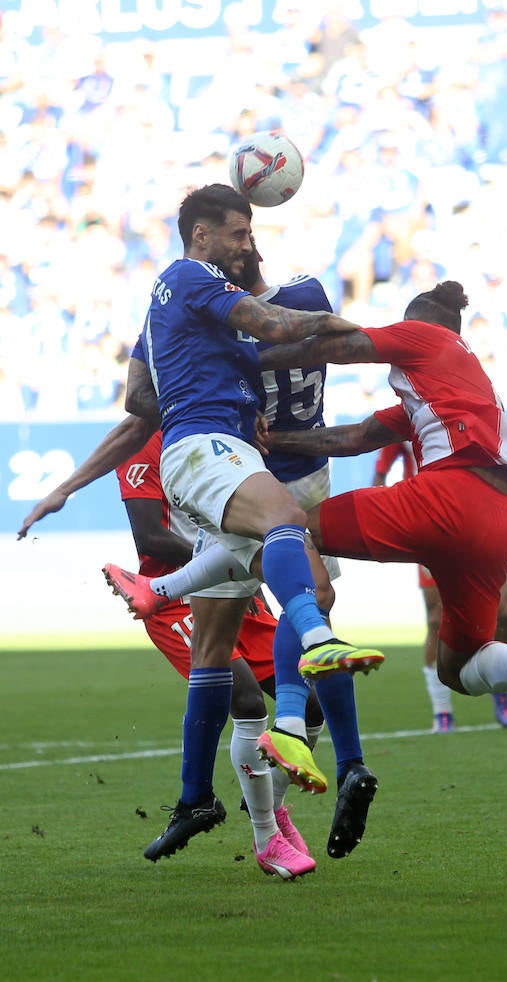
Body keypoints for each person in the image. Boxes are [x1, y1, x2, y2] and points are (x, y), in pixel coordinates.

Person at [97, 185, 383, 855]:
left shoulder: (172, 308)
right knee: (289, 525)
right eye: (237, 232)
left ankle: (209, 802)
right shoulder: (192, 276)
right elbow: (277, 326)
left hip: (212, 447)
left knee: (214, 649)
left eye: (249, 232)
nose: (247, 241)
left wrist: (226, 376)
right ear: (201, 236)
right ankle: (312, 647)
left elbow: (140, 394)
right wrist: (360, 337)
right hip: (205, 450)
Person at [254, 281, 507, 742]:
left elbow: (338, 347)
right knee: (458, 667)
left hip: (449, 496)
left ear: (419, 323)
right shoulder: (457, 388)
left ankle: (298, 686)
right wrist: (273, 441)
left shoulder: (428, 337)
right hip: (499, 521)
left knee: (288, 530)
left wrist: (247, 359)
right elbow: (348, 439)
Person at [116, 428, 321, 877]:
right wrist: (232, 564)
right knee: (246, 700)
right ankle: (267, 840)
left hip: (238, 587)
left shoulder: (228, 426)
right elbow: (149, 538)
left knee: (310, 706)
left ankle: (272, 810)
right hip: (179, 602)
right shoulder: (143, 444)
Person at [372, 442, 507, 731]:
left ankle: (502, 690)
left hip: (480, 518)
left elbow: (503, 465)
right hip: (430, 524)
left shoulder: (474, 415)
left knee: (501, 610)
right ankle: (442, 710)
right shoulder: (406, 417)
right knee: (436, 619)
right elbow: (379, 475)